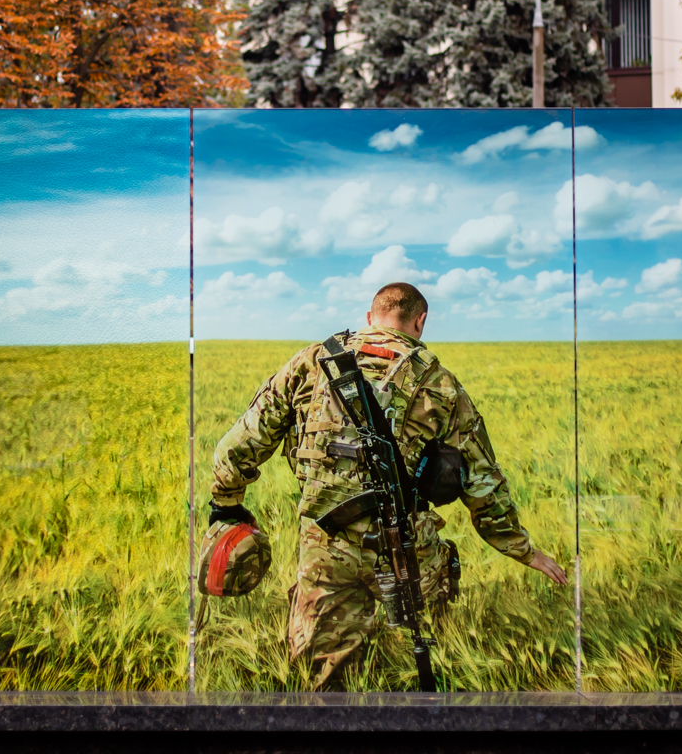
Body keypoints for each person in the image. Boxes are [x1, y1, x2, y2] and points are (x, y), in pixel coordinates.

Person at [208, 281, 569, 690]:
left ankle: (329, 745)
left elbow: (241, 442)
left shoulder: (310, 362)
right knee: (432, 658)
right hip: (408, 548)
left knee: (321, 679)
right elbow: (482, 481)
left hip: (325, 548)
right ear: (420, 321)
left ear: (369, 318)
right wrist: (523, 550)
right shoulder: (441, 383)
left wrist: (227, 504)